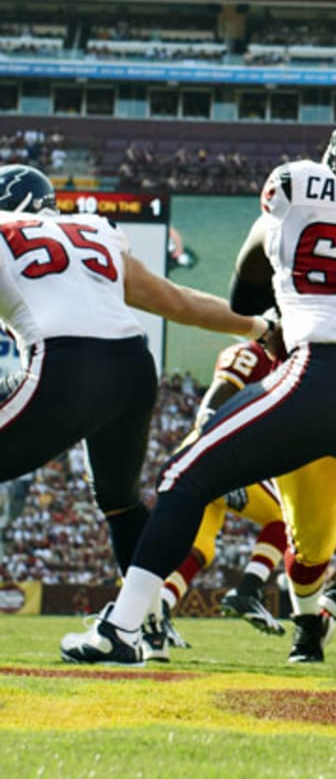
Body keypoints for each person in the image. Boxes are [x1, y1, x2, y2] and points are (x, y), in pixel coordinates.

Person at [61, 106, 336, 670]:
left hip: (321, 374)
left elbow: (244, 297)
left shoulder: (294, 185)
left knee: (183, 476)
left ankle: (122, 627)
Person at [0, 163, 273, 610]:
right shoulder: (93, 232)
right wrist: (259, 326)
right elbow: (175, 300)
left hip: (64, 366)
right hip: (131, 367)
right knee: (120, 502)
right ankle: (143, 619)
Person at [143, 338, 290, 663]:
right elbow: (212, 405)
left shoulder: (277, 360)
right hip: (215, 453)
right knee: (283, 516)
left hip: (207, 455)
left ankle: (161, 610)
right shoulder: (251, 354)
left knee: (200, 549)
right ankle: (248, 590)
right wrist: (223, 462)